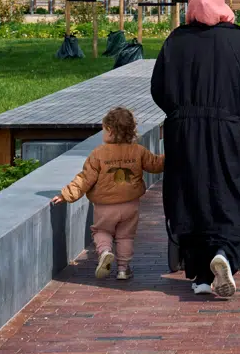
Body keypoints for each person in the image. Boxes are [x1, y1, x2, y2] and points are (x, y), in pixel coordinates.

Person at [151, 0, 240, 298]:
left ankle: (202, 276)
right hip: (227, 133)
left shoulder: (175, 42)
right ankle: (224, 253)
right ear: (221, 1)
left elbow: (159, 89)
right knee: (227, 190)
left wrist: (181, 112)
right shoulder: (237, 42)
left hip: (184, 134)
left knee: (191, 194)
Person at [52, 106, 164, 281]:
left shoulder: (98, 154)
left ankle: (104, 252)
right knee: (125, 236)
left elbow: (85, 178)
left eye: (103, 129)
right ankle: (122, 269)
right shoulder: (138, 150)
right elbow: (156, 165)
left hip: (105, 206)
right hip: (130, 205)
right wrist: (172, 154)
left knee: (101, 231)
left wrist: (67, 194)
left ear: (110, 131)